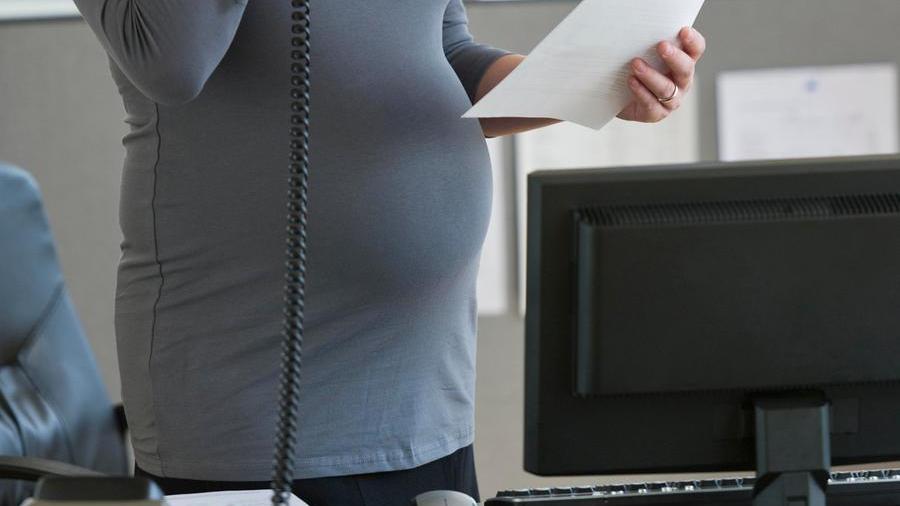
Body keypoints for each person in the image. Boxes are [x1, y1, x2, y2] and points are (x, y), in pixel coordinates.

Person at [72, 1, 706, 504]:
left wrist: (597, 85)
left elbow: (441, 52)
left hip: (423, 390)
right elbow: (173, 59)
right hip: (248, 397)